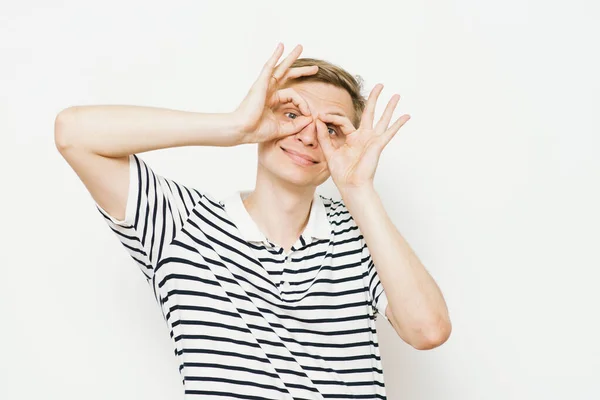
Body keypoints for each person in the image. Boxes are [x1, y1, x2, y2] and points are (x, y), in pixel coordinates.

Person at [55, 43, 451, 399]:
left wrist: (359, 189)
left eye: (331, 128)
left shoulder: (364, 236)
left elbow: (428, 331)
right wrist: (233, 126)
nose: (310, 137)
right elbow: (73, 133)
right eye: (292, 114)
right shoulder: (181, 225)